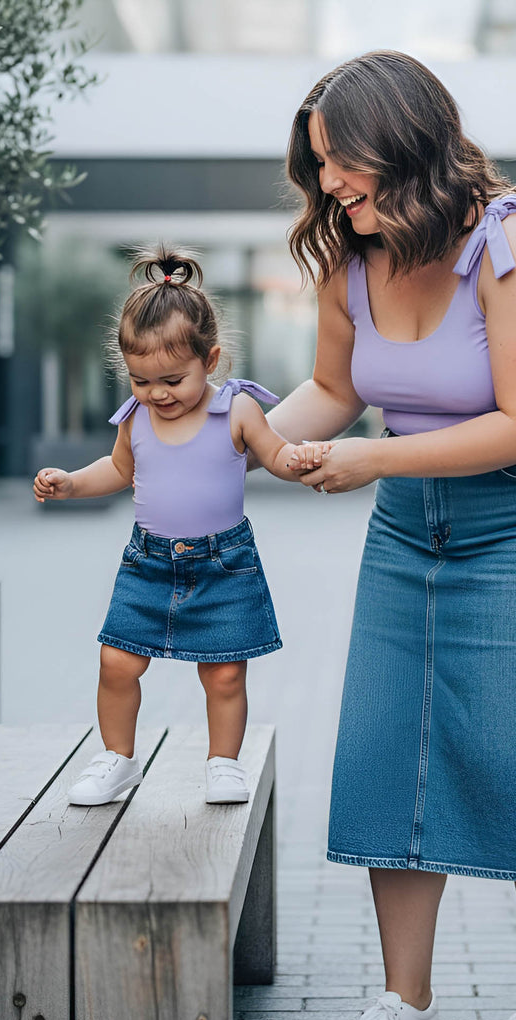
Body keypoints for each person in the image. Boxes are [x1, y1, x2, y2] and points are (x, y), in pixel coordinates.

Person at [264, 52, 516, 1020]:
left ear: (406, 139)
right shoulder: (353, 259)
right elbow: (333, 392)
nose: (329, 186)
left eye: (341, 163)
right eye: (320, 167)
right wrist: (243, 441)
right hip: (414, 520)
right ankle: (404, 1005)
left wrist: (370, 458)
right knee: (391, 744)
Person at [33, 248, 331, 806]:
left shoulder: (236, 411)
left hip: (223, 562)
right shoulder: (135, 417)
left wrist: (304, 461)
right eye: (142, 381)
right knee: (117, 661)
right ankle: (118, 758)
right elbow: (119, 470)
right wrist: (72, 483)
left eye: (172, 378)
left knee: (223, 675)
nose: (158, 393)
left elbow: (275, 454)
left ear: (210, 359)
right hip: (148, 562)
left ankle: (223, 764)